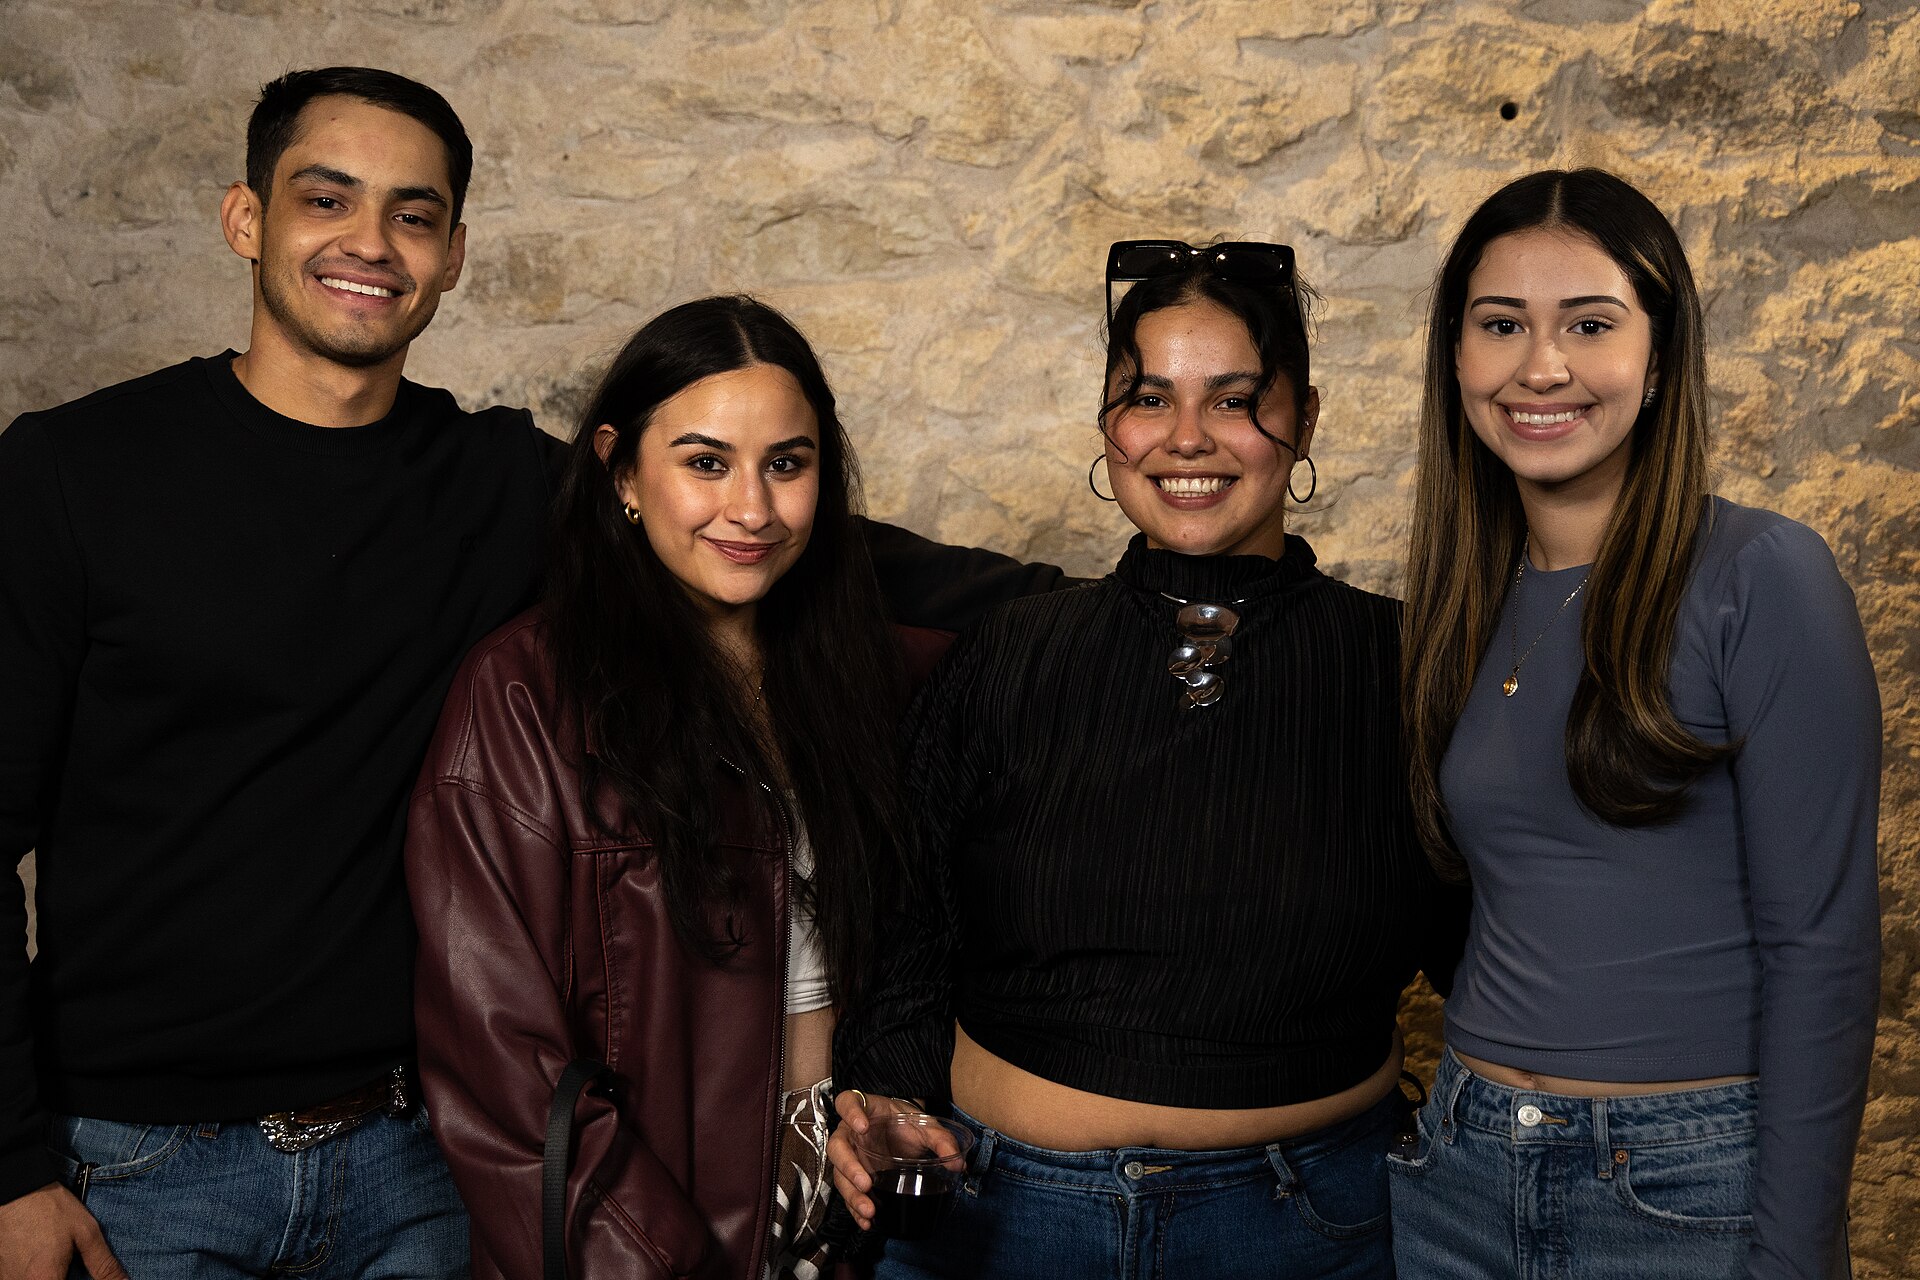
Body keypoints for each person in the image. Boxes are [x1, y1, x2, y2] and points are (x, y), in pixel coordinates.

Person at [0, 67, 1058, 1280]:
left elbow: (762, 537)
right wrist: (8, 1165)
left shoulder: (498, 483)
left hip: (413, 1163)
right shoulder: (73, 475)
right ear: (246, 218)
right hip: (142, 1162)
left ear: (453, 254)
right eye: (326, 199)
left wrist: (1115, 593)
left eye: (413, 214)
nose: (370, 242)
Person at [827, 240, 1467, 1279]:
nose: (1186, 438)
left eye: (1234, 400)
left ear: (1306, 418)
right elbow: (905, 922)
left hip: (1302, 1233)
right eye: (1149, 398)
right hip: (995, 1224)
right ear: (1108, 426)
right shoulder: (1009, 652)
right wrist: (886, 1100)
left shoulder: (1408, 667)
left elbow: (1497, 953)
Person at [1390, 169, 1881, 1280]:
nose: (1541, 367)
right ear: (1456, 359)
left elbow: (1824, 950)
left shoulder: (1763, 575)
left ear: (1659, 360)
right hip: (1462, 1169)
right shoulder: (1461, 603)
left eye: (1590, 324)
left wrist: (1794, 1258)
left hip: (1678, 1184)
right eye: (1501, 324)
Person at [407, 295, 950, 1280]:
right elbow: (504, 1070)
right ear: (621, 470)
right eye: (705, 463)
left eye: (786, 464)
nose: (752, 509)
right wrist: (656, 1262)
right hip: (653, 1225)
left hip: (860, 1216)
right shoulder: (527, 696)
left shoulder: (878, 677)